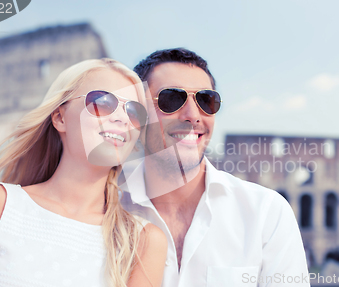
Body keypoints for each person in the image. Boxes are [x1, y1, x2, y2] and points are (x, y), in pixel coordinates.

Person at [0, 58, 167, 287]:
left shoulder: (143, 240)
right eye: (102, 102)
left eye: (134, 112)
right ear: (60, 117)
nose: (122, 118)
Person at [120, 48, 309, 286]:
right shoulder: (104, 210)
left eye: (205, 100)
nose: (193, 115)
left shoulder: (266, 213)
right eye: (171, 99)